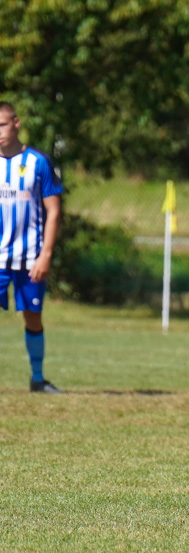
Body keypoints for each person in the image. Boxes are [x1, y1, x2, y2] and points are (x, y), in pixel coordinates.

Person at [0, 102, 63, 393]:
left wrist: (45, 254)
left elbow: (53, 210)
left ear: (16, 123)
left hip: (29, 258)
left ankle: (37, 378)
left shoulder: (38, 162)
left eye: (2, 124)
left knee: (33, 317)